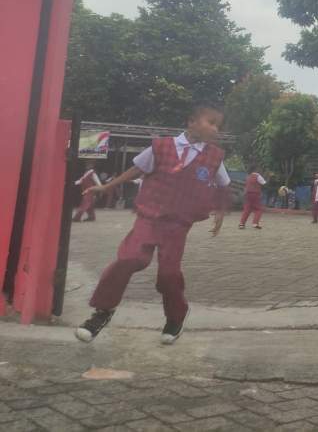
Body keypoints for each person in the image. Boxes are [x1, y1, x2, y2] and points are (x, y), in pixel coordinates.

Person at [74, 103, 230, 345]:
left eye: (218, 126)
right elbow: (136, 170)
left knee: (169, 274)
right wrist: (106, 187)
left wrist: (220, 212)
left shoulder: (214, 157)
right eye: (211, 122)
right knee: (129, 258)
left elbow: (223, 185)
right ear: (191, 122)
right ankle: (102, 311)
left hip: (178, 224)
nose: (215, 129)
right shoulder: (161, 147)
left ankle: (176, 317)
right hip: (149, 217)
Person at [239, 165, 266, 230]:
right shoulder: (258, 176)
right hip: (255, 194)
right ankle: (255, 223)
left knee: (247, 209)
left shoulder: (248, 176)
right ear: (256, 169)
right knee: (258, 209)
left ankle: (241, 224)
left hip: (247, 194)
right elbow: (264, 183)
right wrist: (268, 178)